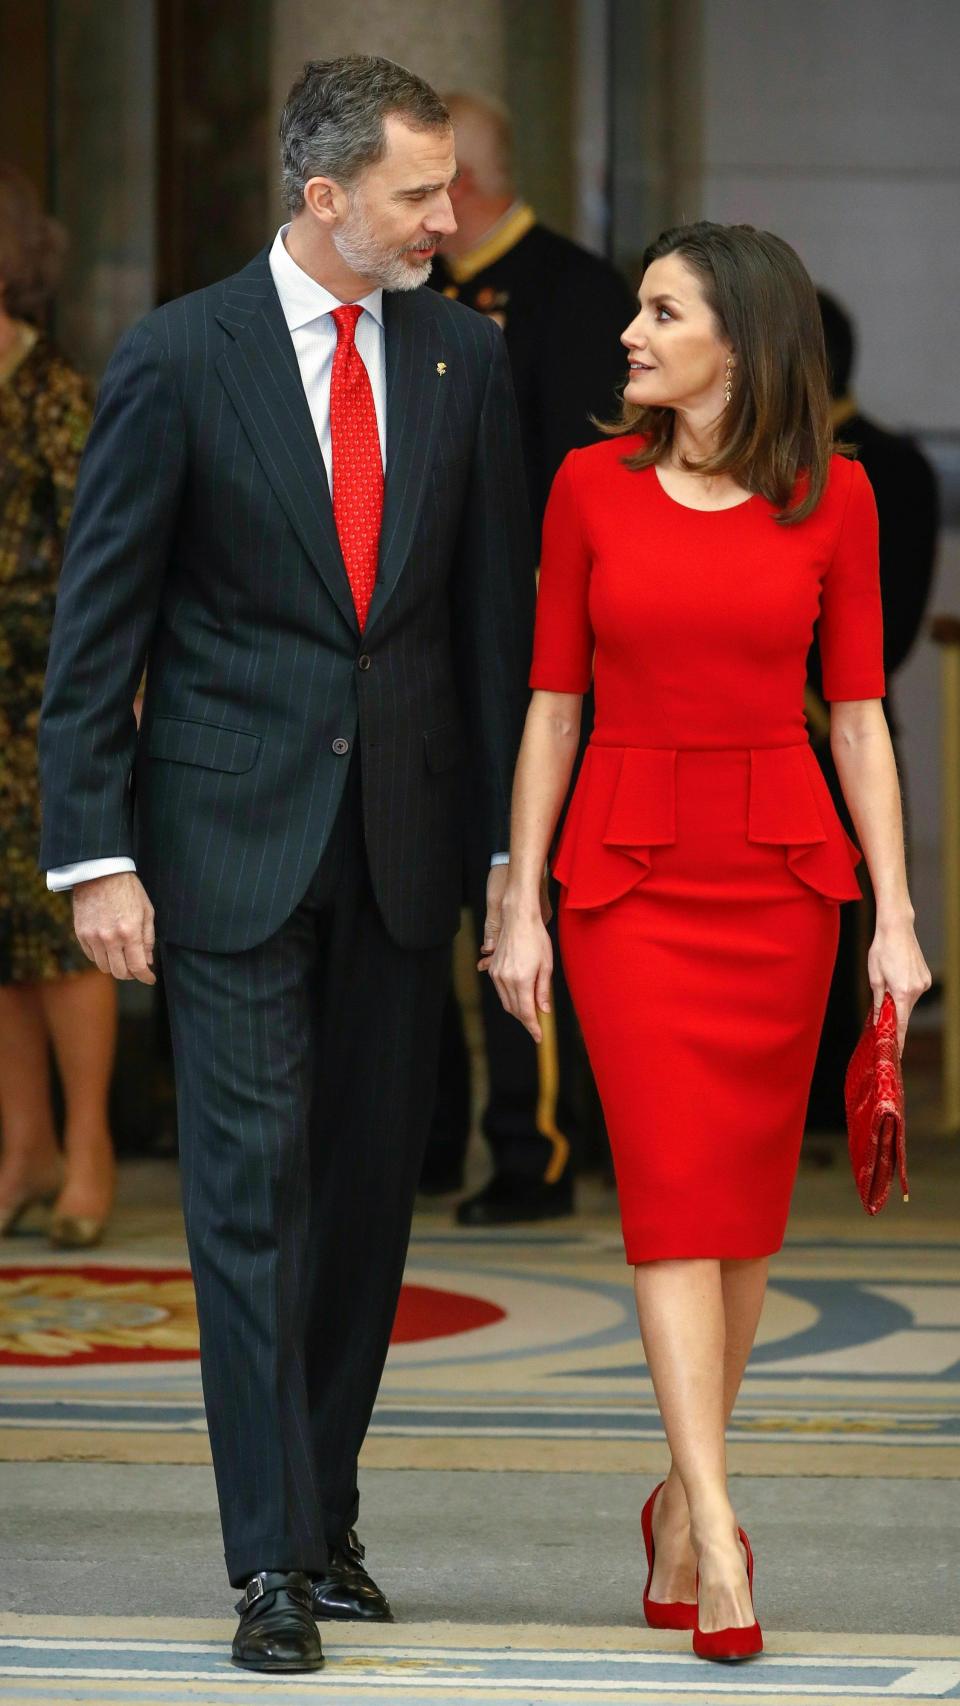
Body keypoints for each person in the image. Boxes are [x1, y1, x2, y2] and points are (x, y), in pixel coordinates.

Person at [39, 56, 532, 1675]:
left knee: (369, 1201)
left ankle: (324, 1511)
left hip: (402, 851)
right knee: (249, 1200)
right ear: (324, 196)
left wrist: (507, 863)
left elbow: (486, 632)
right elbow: (95, 625)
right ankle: (268, 1561)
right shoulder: (182, 356)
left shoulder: (466, 358)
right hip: (224, 844)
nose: (448, 218)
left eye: (449, 186)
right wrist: (94, 854)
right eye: (416, 194)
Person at [484, 222, 930, 1662]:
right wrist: (518, 894)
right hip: (626, 883)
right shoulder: (587, 488)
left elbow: (859, 713)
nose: (629, 331)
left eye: (661, 310)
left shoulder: (840, 498)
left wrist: (898, 918)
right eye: (637, 308)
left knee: (741, 1218)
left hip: (784, 884)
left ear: (738, 341)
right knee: (672, 1199)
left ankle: (680, 1496)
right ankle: (725, 1534)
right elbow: (554, 702)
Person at [424, 91, 636, 1225]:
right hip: (415, 651)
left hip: (526, 649)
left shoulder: (575, 291)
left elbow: (584, 491)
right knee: (426, 896)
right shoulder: (412, 284)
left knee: (521, 892)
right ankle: (421, 1138)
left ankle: (533, 1148)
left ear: (463, 180)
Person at [0, 163, 117, 1250]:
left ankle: (89, 1147)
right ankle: (23, 1143)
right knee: (0, 937)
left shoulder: (55, 390)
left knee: (59, 926)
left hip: (44, 694)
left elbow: (100, 558)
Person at [804, 289, 940, 1131]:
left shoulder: (877, 468)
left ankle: (835, 1105)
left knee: (856, 924)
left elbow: (894, 619)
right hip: (810, 719)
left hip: (843, 724)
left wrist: (813, 694)